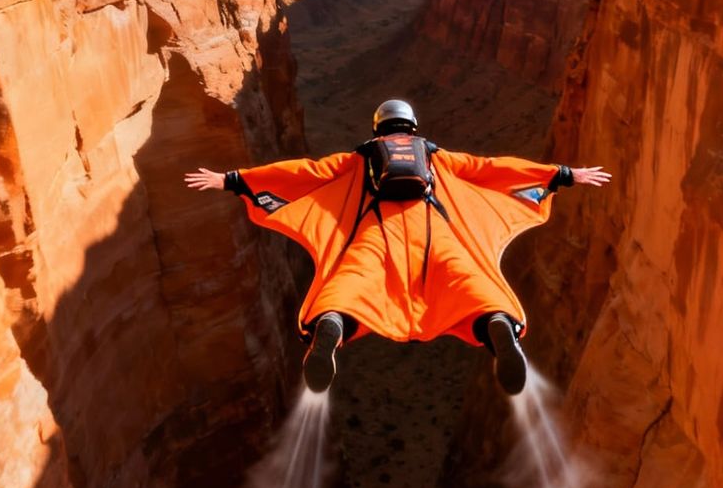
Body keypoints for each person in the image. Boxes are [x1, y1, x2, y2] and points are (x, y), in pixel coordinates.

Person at [185, 97, 610, 395]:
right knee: (464, 279)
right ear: (411, 126)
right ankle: (495, 322)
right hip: (435, 228)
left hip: (375, 228)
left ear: (378, 126)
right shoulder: (435, 156)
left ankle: (333, 322)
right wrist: (561, 174)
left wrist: (235, 179)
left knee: (352, 281)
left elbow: (305, 172)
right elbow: (490, 169)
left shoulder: (359, 158)